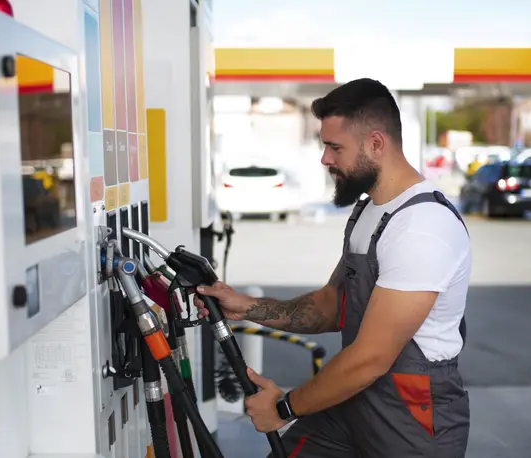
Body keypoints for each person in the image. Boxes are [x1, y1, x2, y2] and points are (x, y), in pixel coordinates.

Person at [195, 78, 472, 457]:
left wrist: (283, 408)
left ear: (376, 143)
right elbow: (331, 304)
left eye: (334, 147)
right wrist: (247, 307)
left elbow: (371, 358)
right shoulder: (370, 212)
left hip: (410, 418)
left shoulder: (423, 226)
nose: (325, 159)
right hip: (355, 399)